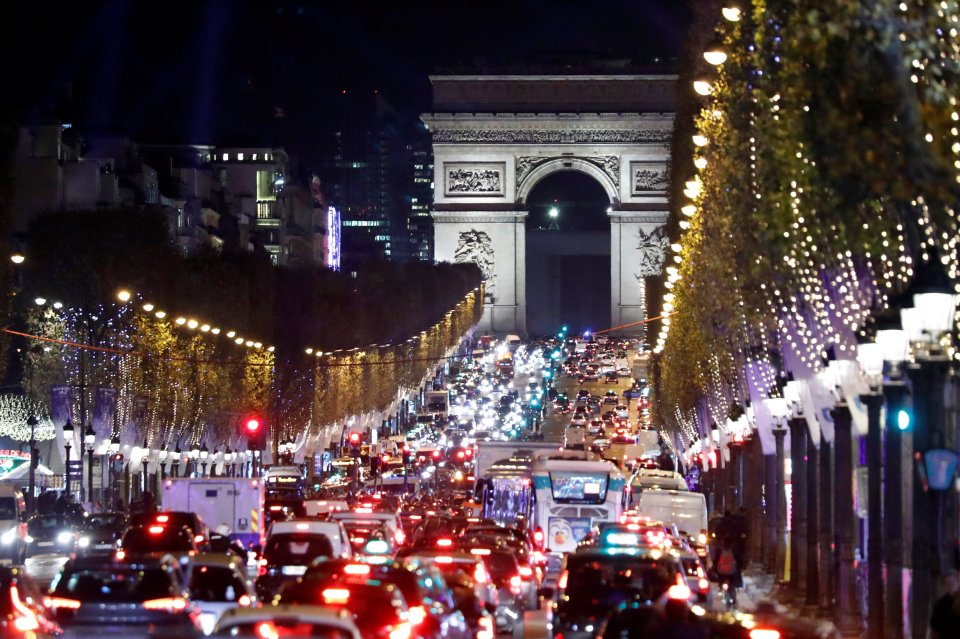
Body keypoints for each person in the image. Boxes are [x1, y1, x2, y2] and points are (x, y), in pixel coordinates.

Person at [931, 555, 960, 639]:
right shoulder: (941, 604)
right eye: (947, 584)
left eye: (952, 582)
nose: (950, 586)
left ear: (958, 582)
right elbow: (935, 627)